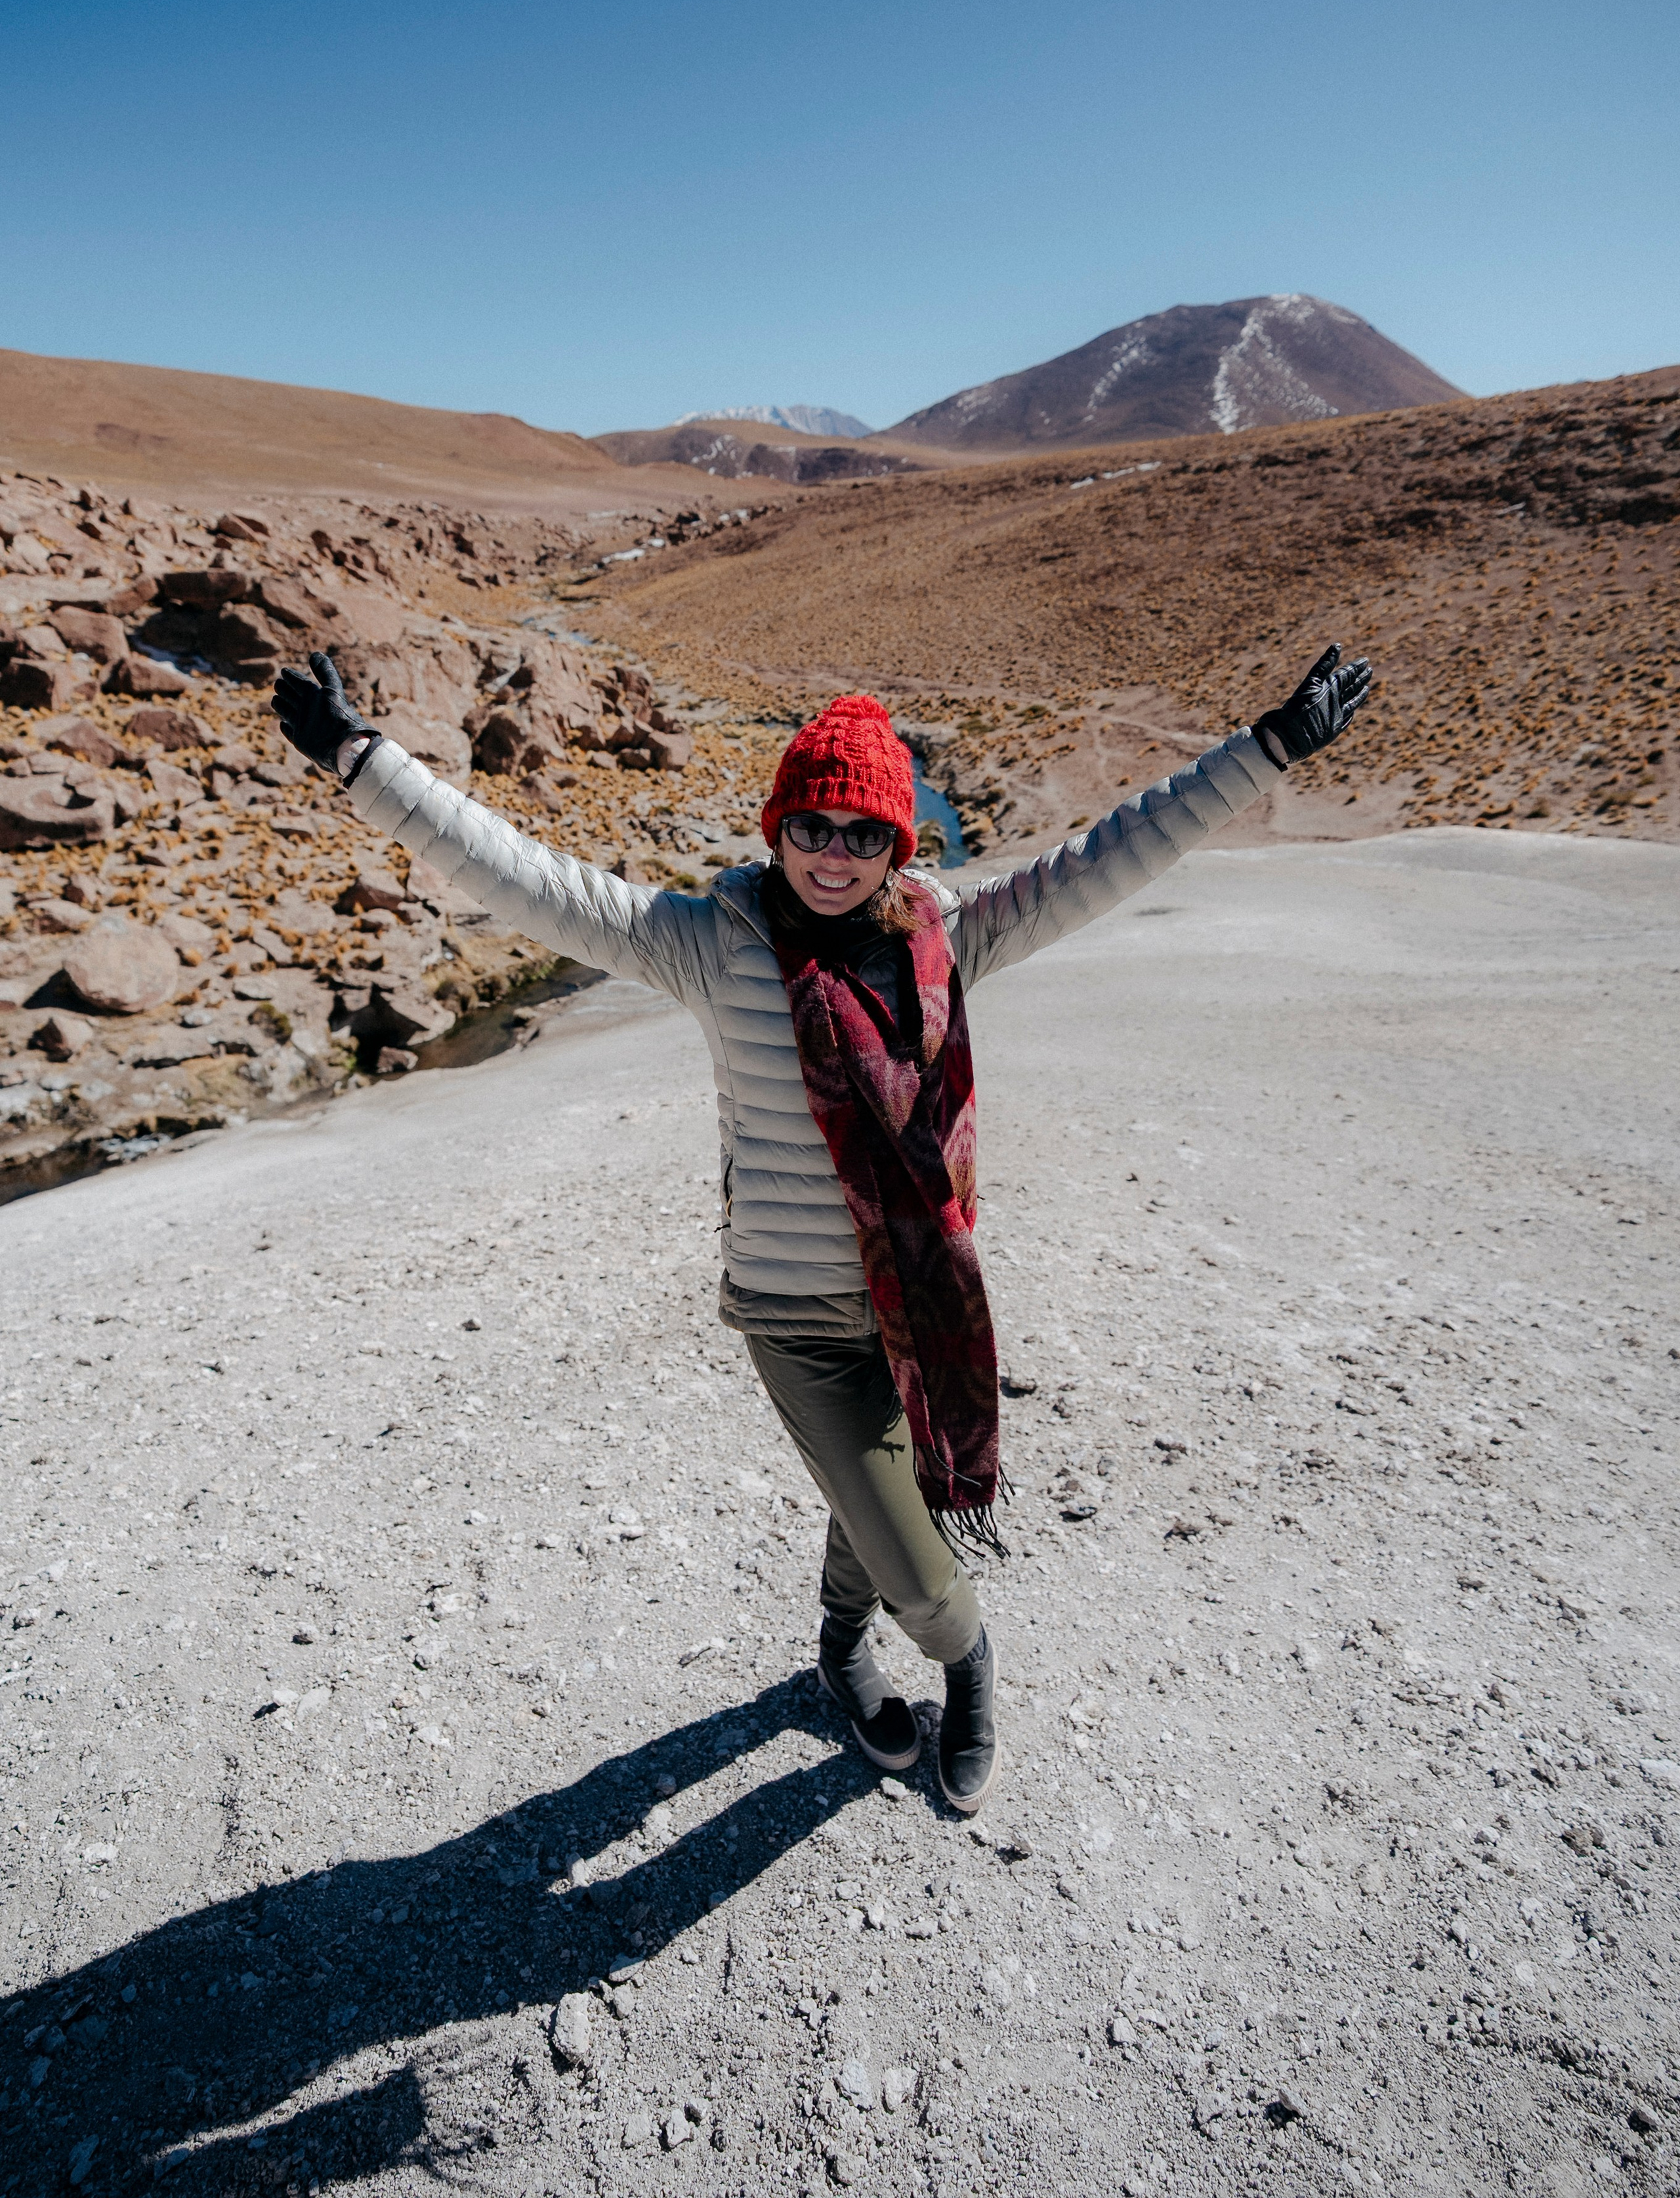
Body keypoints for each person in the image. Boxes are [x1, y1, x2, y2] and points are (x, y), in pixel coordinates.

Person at [274, 645, 1372, 1813]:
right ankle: (966, 1659)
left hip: (918, 1293)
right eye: (813, 825)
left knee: (875, 1502)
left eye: (863, 833)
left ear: (900, 845)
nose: (833, 855)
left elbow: (1109, 855)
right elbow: (528, 878)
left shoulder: (949, 941)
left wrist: (1268, 750)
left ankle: (840, 1645)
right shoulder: (707, 942)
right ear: (777, 827)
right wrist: (363, 761)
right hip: (795, 1317)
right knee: (915, 1555)